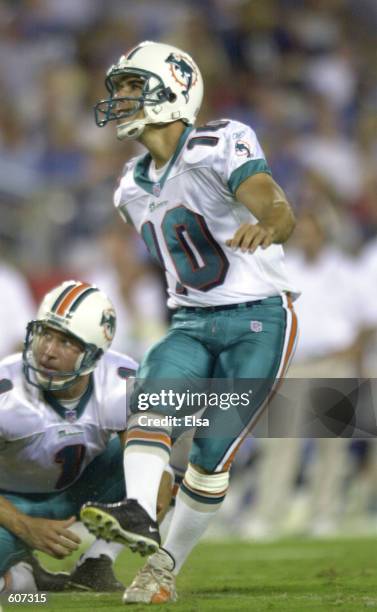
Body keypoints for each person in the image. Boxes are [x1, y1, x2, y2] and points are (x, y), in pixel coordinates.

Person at [80, 40, 298, 604]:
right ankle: (135, 508)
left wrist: (269, 223)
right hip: (193, 320)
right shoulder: (129, 187)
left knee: (210, 454)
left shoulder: (218, 141)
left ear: (175, 88)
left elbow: (276, 205)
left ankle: (163, 568)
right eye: (120, 88)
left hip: (259, 318)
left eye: (134, 85)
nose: (122, 98)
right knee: (149, 404)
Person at [0, 279, 172, 593]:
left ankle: (96, 563)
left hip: (75, 491)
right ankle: (22, 569)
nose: (48, 351)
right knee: (17, 592)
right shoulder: (6, 391)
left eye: (66, 342)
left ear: (94, 354)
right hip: (9, 504)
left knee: (159, 469)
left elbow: (153, 459)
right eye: (44, 334)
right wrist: (26, 527)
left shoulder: (120, 380)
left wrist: (155, 486)